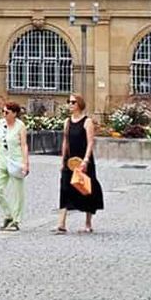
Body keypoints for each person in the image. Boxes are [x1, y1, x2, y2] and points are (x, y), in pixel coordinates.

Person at [53, 94, 104, 234]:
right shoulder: (67, 122)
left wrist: (86, 160)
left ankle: (88, 223)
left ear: (79, 104)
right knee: (64, 188)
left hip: (83, 160)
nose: (70, 104)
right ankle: (61, 224)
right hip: (69, 161)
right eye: (68, 102)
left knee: (86, 188)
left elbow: (90, 142)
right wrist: (62, 159)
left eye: (73, 102)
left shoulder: (87, 122)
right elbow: (65, 141)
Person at [0, 100, 29, 232]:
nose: (4, 114)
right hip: (2, 160)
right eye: (3, 112)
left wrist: (26, 163)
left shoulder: (20, 126)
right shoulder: (0, 124)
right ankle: (8, 214)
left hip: (16, 160)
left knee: (17, 192)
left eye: (7, 112)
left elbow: (23, 145)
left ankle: (16, 220)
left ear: (14, 114)